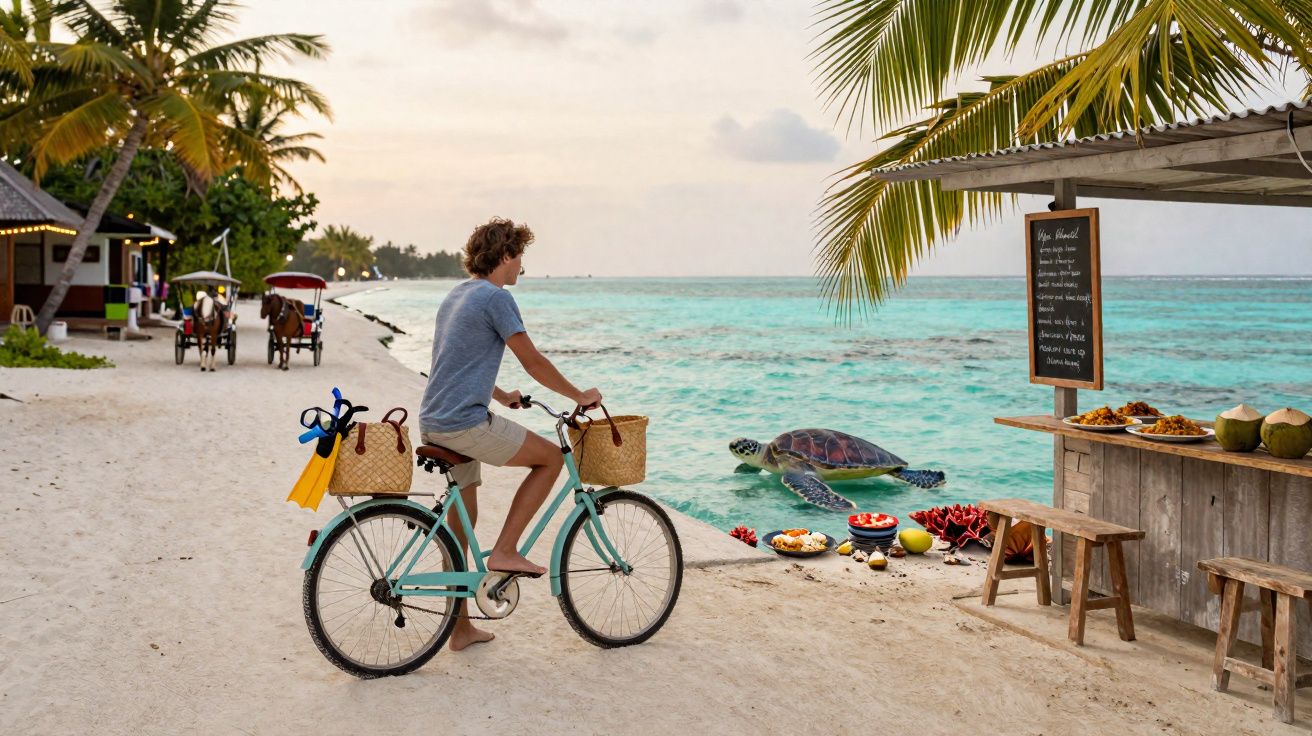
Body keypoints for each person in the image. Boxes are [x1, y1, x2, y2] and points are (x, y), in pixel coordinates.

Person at [419, 217, 602, 651]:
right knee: (551, 458)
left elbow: (452, 360)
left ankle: (460, 629)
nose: (522, 266)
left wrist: (500, 395)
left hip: (434, 418)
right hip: (463, 422)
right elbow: (532, 361)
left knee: (461, 529)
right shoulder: (497, 298)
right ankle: (505, 550)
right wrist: (579, 395)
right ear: (505, 255)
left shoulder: (457, 294)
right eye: (520, 256)